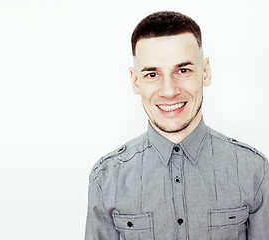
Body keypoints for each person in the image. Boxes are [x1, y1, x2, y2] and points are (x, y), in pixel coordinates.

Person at [84, 11, 269, 239]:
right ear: (135, 81)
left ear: (205, 72)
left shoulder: (254, 170)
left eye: (183, 70)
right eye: (152, 74)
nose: (169, 91)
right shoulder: (106, 178)